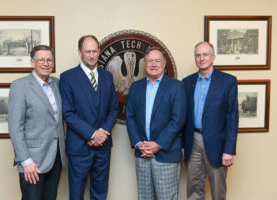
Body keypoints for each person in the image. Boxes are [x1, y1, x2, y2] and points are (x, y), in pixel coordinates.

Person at [59, 35, 118, 200]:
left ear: (99, 51)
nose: (92, 55)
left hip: (103, 147)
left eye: (94, 51)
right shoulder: (67, 78)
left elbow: (113, 109)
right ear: (80, 52)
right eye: (87, 52)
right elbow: (68, 113)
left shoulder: (107, 76)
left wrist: (102, 132)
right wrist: (92, 134)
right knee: (76, 194)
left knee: (100, 193)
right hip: (79, 147)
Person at [126, 46, 187, 200]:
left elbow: (177, 120)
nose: (154, 64)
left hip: (166, 154)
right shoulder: (135, 87)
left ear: (164, 64)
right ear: (144, 64)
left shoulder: (176, 86)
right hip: (142, 153)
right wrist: (139, 143)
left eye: (157, 61)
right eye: (150, 61)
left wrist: (158, 144)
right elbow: (130, 117)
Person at [182, 41, 239, 200]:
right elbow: (183, 116)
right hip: (192, 141)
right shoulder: (187, 82)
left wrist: (229, 149)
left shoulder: (228, 82)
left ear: (213, 57)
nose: (201, 58)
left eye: (205, 54)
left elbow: (232, 118)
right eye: (198, 55)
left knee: (218, 191)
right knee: (194, 189)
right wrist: (182, 145)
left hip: (218, 144)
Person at [8, 45, 66, 200]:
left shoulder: (58, 84)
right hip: (33, 161)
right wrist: (26, 161)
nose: (46, 63)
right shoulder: (19, 86)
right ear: (32, 62)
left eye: (49, 60)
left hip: (56, 158)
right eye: (41, 60)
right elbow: (15, 128)